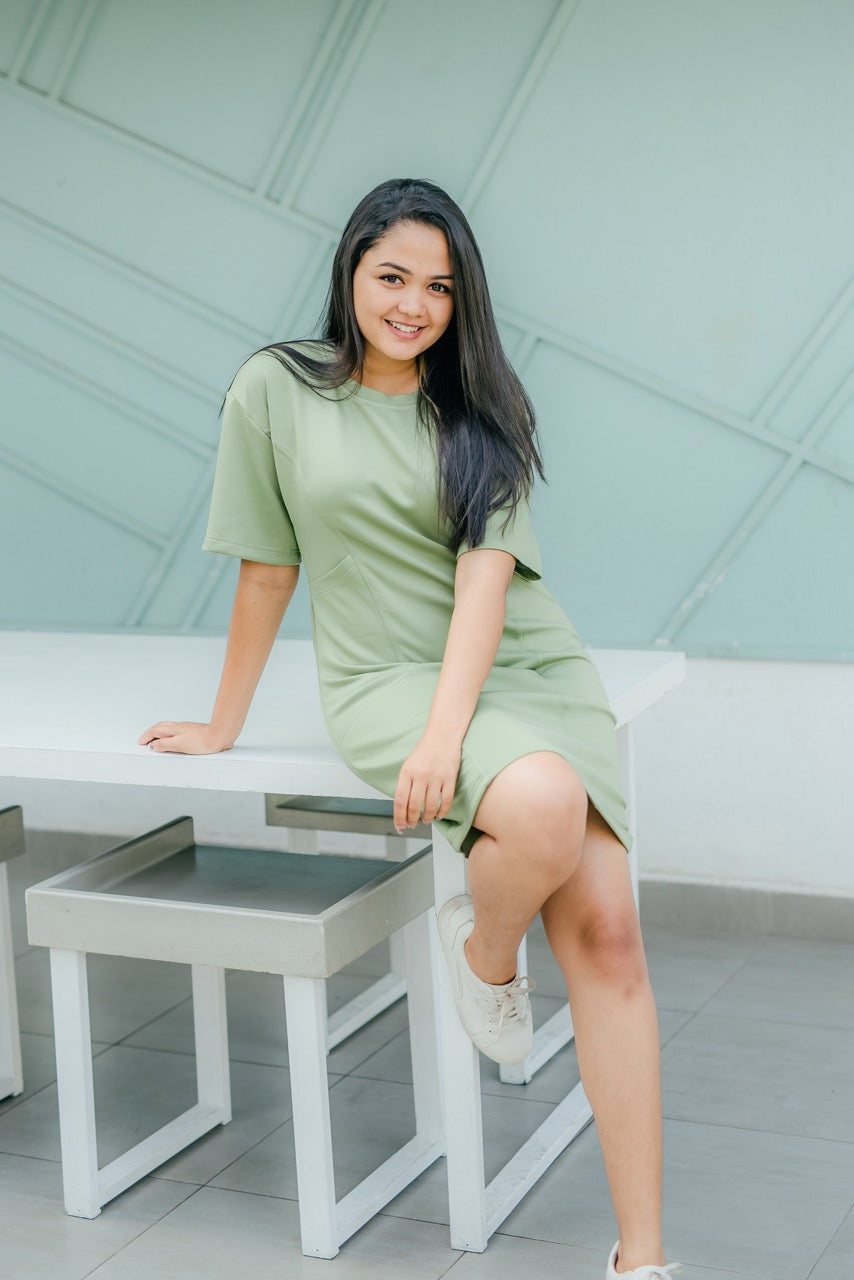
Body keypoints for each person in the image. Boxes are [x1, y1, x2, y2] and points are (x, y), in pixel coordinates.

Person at [139, 178, 677, 1280]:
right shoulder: (274, 390)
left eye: (438, 286)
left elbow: (485, 585)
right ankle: (486, 952)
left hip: (524, 663)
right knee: (537, 803)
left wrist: (451, 734)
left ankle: (643, 1258)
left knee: (610, 935)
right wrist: (224, 717)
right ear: (350, 272)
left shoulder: (484, 408)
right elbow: (265, 563)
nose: (413, 304)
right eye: (393, 277)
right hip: (382, 672)